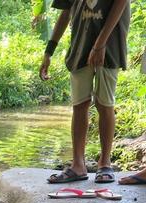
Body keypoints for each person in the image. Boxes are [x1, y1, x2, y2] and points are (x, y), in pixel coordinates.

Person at [40, 0, 131, 184]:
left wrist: (100, 44)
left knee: (104, 103)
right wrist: (48, 52)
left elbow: (122, 2)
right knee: (79, 104)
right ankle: (78, 165)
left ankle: (105, 163)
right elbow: (65, 13)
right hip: (80, 45)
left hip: (110, 44)